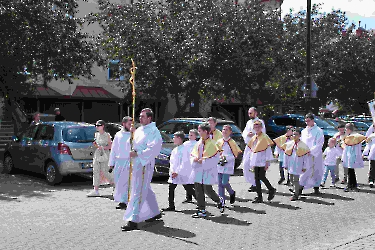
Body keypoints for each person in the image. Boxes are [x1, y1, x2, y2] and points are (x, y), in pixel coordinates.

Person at [122, 108, 163, 231]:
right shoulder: (140, 129)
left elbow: (154, 148)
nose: (140, 118)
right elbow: (134, 144)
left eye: (143, 116)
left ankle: (133, 219)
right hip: (137, 162)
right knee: (145, 188)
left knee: (138, 190)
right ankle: (155, 212)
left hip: (145, 163)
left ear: (149, 118)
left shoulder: (154, 131)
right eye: (140, 116)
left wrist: (138, 153)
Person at [190, 122, 225, 218]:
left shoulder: (213, 144)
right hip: (198, 170)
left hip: (207, 170)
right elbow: (192, 154)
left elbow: (215, 158)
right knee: (198, 189)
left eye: (200, 130)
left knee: (207, 189)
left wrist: (204, 161)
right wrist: (194, 159)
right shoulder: (198, 143)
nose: (198, 132)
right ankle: (201, 210)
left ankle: (219, 200)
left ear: (205, 131)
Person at [161, 131, 197, 212]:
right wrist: (172, 171)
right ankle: (171, 206)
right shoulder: (175, 149)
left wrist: (177, 172)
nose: (173, 139)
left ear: (179, 138)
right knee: (171, 188)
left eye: (175, 137)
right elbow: (172, 162)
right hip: (174, 173)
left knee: (188, 188)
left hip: (181, 173)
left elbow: (184, 162)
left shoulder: (184, 149)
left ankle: (201, 203)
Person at [247, 120, 276, 203]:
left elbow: (268, 150)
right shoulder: (254, 137)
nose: (256, 128)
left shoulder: (264, 137)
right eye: (255, 127)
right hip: (255, 160)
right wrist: (251, 160)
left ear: (261, 127)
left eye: (258, 126)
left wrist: (267, 161)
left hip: (262, 160)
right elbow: (252, 149)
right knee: (256, 179)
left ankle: (271, 189)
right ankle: (259, 196)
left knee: (262, 177)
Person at [108, 116, 132, 210]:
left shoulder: (134, 134)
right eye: (129, 124)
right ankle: (122, 201)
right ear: (124, 124)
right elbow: (114, 149)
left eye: (132, 124)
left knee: (128, 183)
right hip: (119, 161)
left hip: (129, 161)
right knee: (119, 183)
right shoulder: (118, 135)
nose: (130, 126)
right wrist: (111, 163)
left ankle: (129, 201)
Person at [282, 128, 311, 201]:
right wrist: (285, 164)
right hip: (291, 164)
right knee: (291, 179)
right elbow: (286, 154)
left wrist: (304, 166)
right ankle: (296, 189)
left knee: (296, 179)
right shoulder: (289, 144)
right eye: (293, 134)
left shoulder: (303, 145)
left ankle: (296, 194)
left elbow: (305, 157)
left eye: (296, 134)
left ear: (300, 135)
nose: (294, 136)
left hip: (298, 164)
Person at [216, 125, 242, 205]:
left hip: (228, 165)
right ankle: (221, 201)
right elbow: (215, 152)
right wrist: (219, 158)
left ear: (230, 132)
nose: (225, 131)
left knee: (224, 182)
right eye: (223, 129)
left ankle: (231, 192)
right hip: (219, 165)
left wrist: (226, 158)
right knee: (219, 184)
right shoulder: (219, 142)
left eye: (227, 130)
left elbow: (235, 154)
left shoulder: (232, 142)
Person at [241, 107, 266, 192]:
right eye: (248, 113)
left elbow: (263, 133)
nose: (249, 115)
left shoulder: (260, 122)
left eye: (251, 113)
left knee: (254, 166)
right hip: (249, 146)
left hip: (256, 147)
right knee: (246, 164)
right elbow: (244, 133)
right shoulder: (248, 122)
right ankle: (252, 182)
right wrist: (247, 134)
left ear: (256, 113)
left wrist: (254, 134)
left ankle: (256, 184)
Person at [87, 120, 114, 197]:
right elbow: (97, 144)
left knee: (106, 171)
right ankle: (96, 190)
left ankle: (115, 187)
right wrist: (96, 146)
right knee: (96, 171)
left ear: (103, 126)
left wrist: (102, 147)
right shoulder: (96, 134)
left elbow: (111, 146)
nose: (96, 127)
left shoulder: (107, 135)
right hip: (97, 153)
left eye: (98, 125)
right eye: (96, 125)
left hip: (105, 154)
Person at [301, 113, 324, 195]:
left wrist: (310, 151)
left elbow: (319, 143)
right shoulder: (303, 131)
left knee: (316, 171)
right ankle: (299, 189)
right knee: (304, 171)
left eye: (308, 121)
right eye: (305, 121)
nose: (307, 123)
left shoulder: (318, 130)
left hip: (314, 154)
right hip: (304, 154)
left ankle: (316, 187)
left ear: (313, 120)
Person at [342, 123, 366, 192]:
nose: (345, 131)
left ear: (348, 129)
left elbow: (352, 148)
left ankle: (350, 185)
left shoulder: (353, 137)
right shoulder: (351, 136)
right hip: (351, 155)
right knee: (351, 171)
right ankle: (353, 185)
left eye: (346, 129)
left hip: (351, 156)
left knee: (350, 171)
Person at [181, 129, 199, 203]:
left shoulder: (197, 144)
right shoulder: (186, 143)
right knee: (186, 179)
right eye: (189, 135)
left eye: (191, 135)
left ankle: (198, 196)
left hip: (194, 163)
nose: (189, 136)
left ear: (195, 136)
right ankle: (189, 197)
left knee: (192, 181)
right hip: (186, 163)